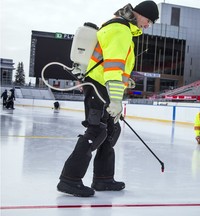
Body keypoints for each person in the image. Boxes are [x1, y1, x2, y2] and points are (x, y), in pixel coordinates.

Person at [57, 1, 159, 197]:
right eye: (148, 20)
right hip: (99, 85)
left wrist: (124, 81)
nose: (148, 25)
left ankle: (103, 179)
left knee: (112, 129)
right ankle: (69, 180)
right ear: (139, 14)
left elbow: (114, 67)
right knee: (96, 130)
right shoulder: (120, 30)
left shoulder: (122, 28)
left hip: (102, 84)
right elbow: (112, 67)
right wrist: (115, 100)